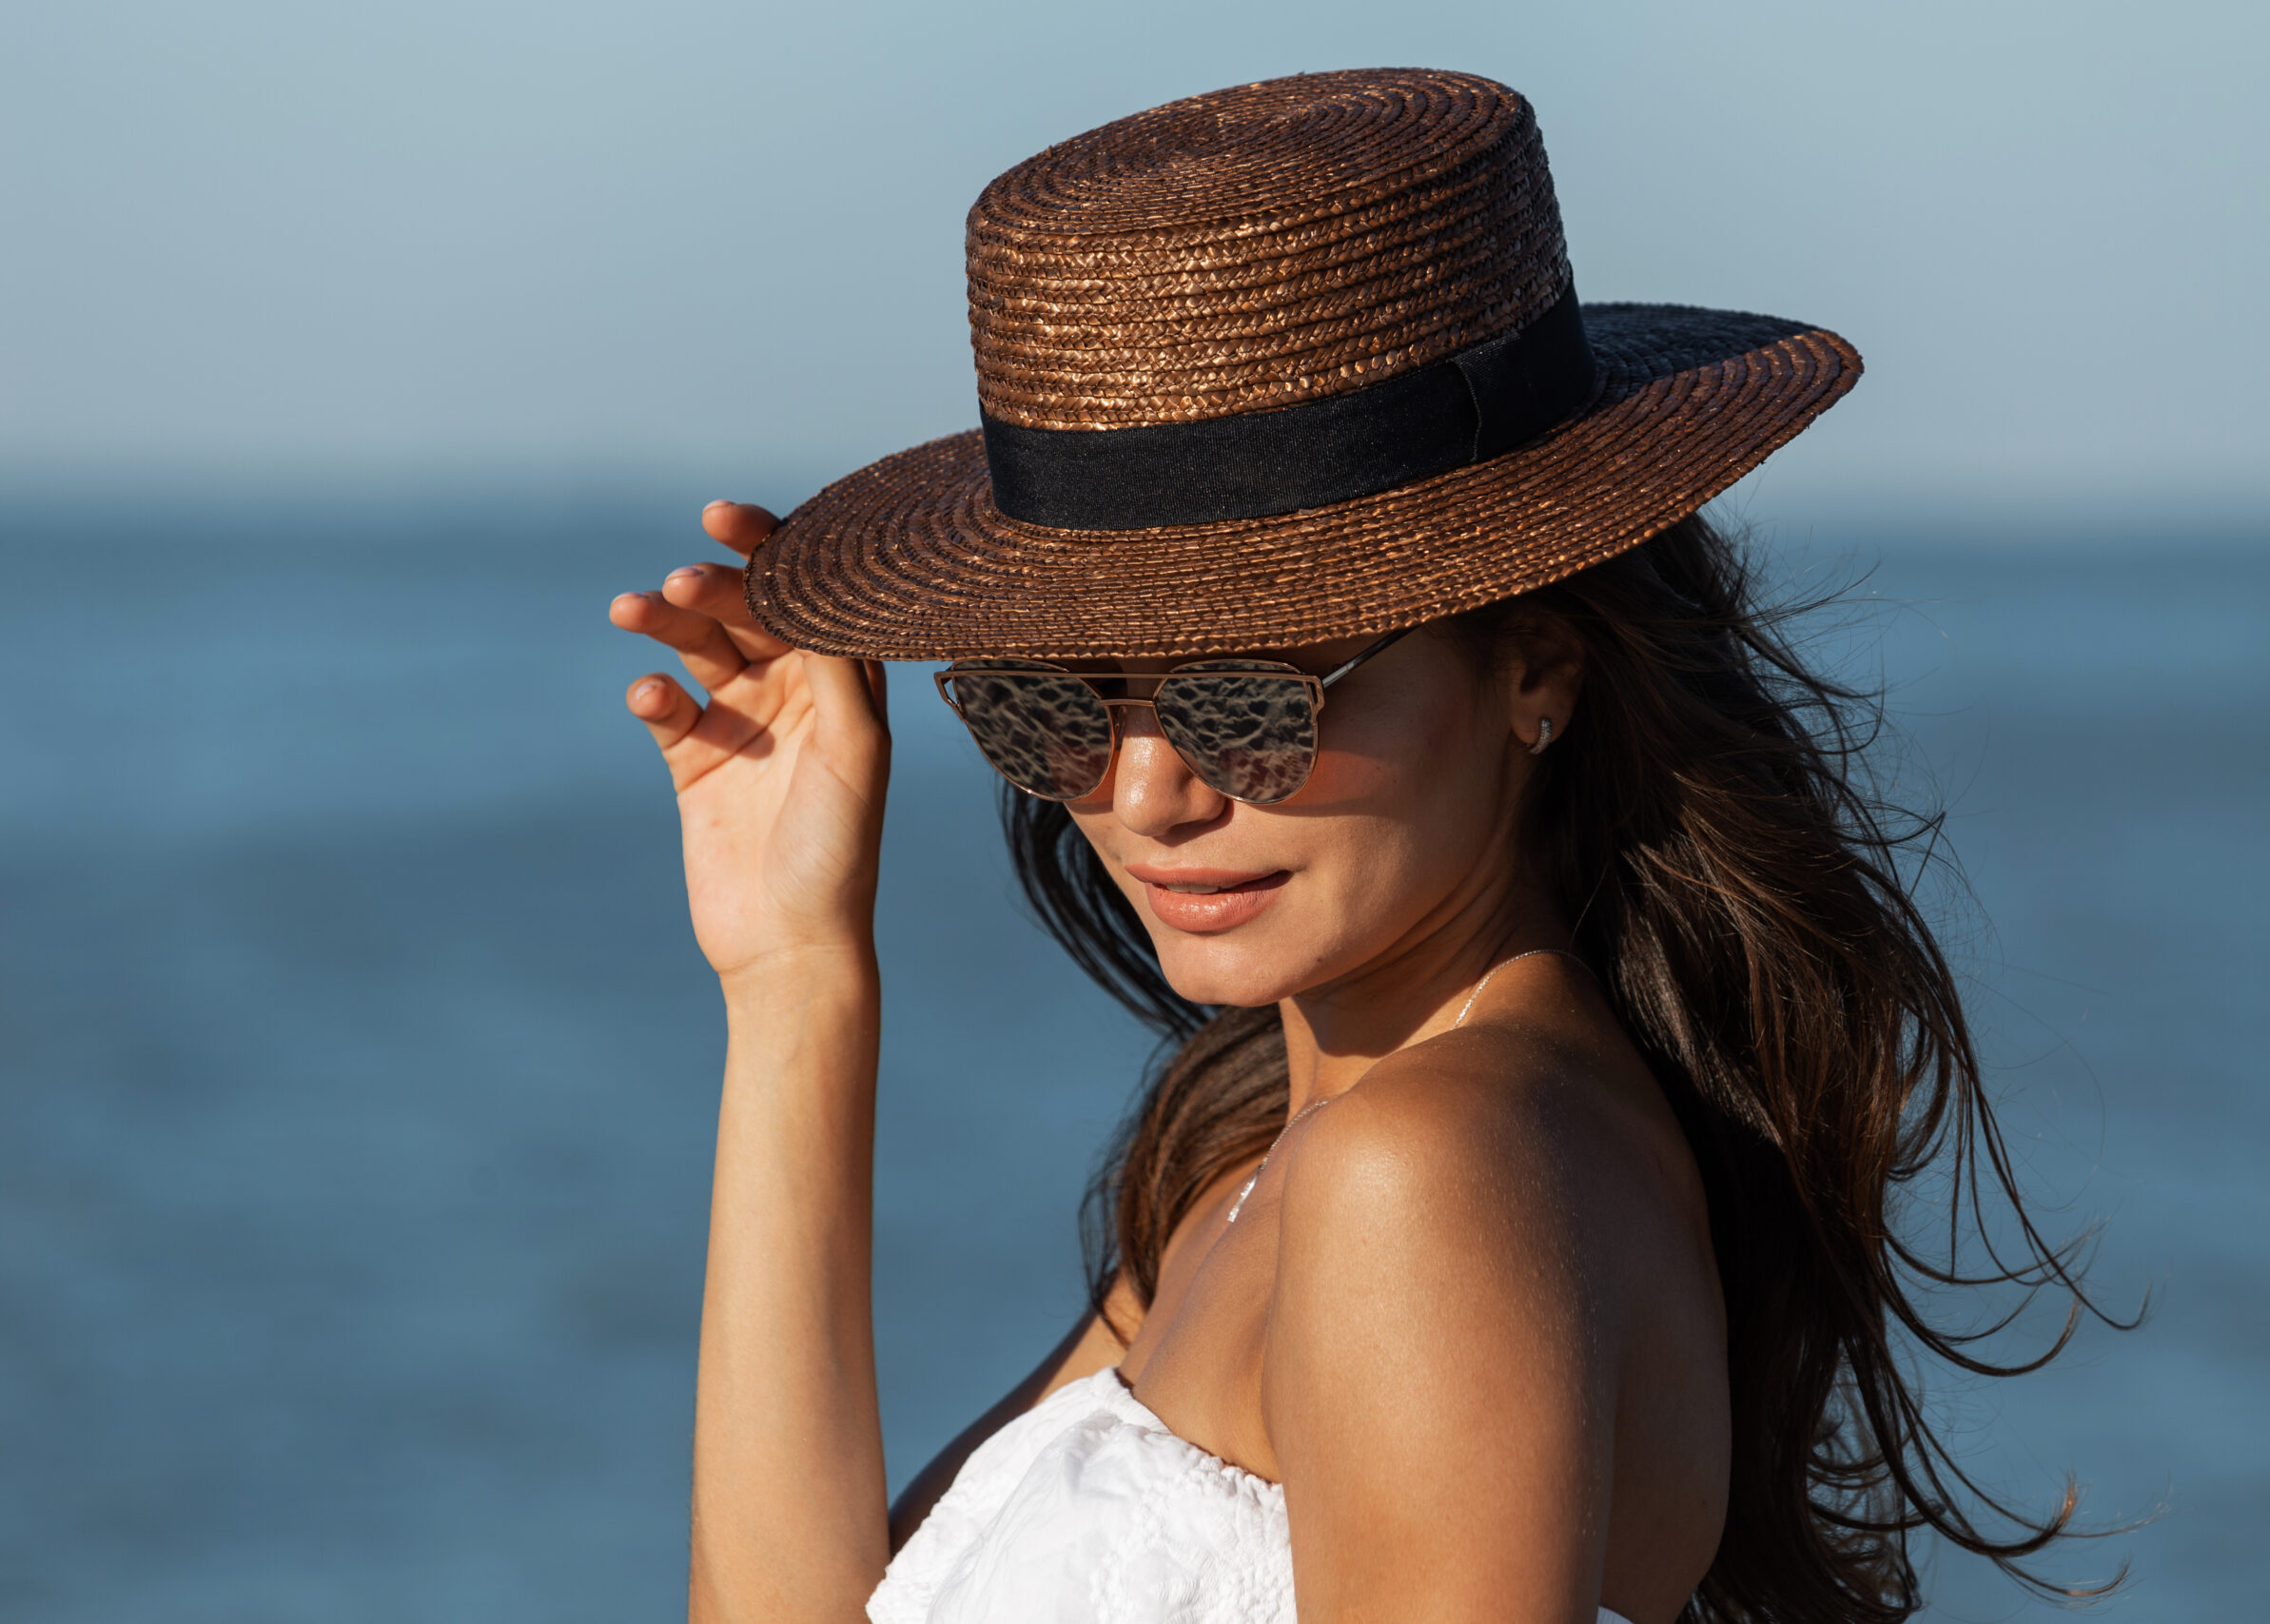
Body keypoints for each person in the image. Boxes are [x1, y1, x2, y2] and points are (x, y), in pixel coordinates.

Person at [610, 68, 2112, 1624]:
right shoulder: (1260, 1168)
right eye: (1056, 701)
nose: (1143, 793)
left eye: (1247, 698)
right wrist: (792, 970)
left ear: (1535, 665)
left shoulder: (1422, 1177)